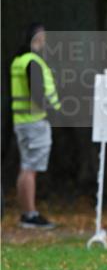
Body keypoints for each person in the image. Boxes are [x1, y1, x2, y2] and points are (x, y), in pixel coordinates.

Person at [10, 23, 61, 228]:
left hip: (22, 122)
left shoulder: (18, 61)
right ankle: (30, 214)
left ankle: (26, 213)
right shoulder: (33, 62)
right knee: (30, 168)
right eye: (42, 37)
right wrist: (53, 110)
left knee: (26, 167)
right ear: (35, 38)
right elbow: (38, 94)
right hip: (35, 122)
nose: (44, 41)